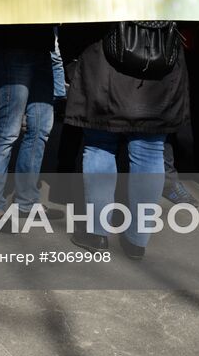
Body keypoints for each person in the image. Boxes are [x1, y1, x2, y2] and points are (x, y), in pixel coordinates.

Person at [61, 22, 189, 260]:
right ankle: (137, 241)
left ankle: (97, 233)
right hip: (160, 58)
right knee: (150, 151)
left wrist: (71, 58)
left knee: (99, 146)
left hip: (102, 60)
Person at [0, 24, 56, 217]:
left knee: (41, 128)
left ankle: (27, 201)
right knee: (8, 129)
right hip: (11, 42)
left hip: (42, 45)